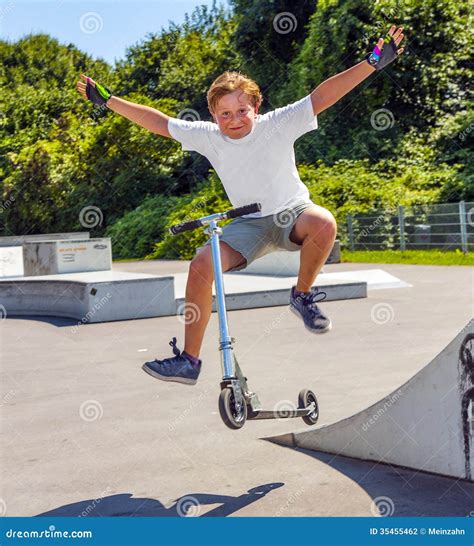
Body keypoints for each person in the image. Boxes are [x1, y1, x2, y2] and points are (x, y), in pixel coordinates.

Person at [77, 25, 405, 386]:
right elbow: (158, 121)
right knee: (201, 264)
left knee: (324, 222)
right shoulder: (208, 137)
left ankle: (302, 295)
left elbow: (324, 94)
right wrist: (109, 101)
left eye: (241, 111)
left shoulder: (278, 123)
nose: (234, 121)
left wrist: (372, 63)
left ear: (256, 106)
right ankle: (189, 360)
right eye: (224, 115)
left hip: (292, 214)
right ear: (213, 115)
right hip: (248, 223)